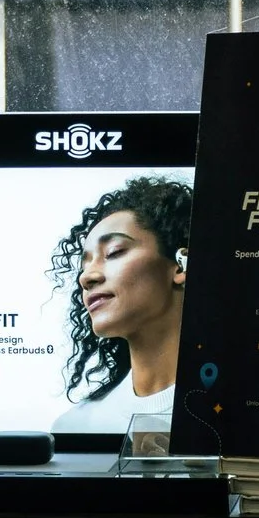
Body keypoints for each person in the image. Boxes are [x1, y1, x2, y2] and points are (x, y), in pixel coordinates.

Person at [49, 177, 191, 435]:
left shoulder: (248, 412)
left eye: (113, 252)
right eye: (85, 264)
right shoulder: (74, 428)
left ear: (180, 265)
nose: (87, 277)